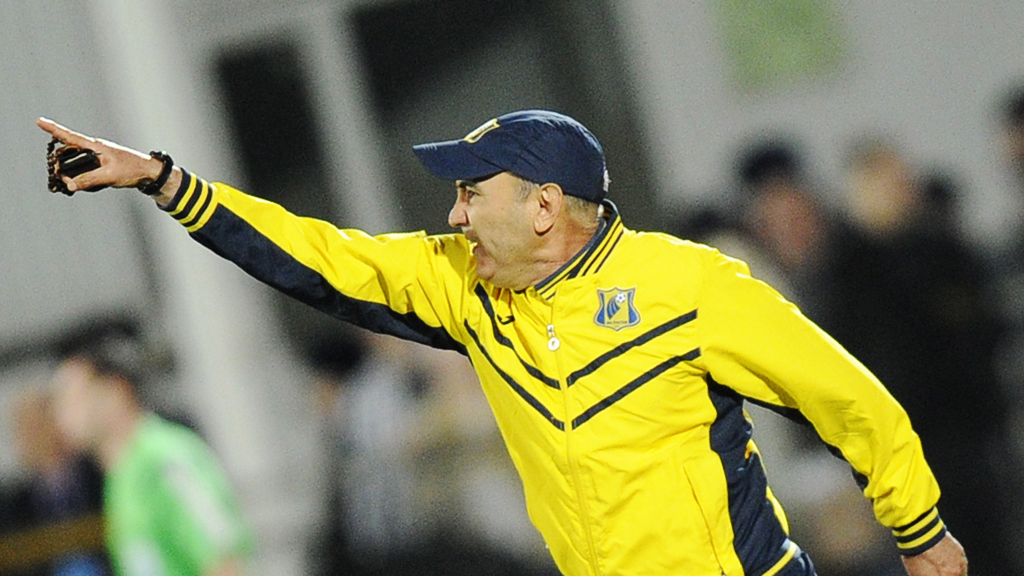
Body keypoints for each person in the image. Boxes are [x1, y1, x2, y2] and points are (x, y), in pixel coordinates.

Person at [37, 111, 967, 576]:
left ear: (545, 207)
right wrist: (163, 181)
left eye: (470, 194)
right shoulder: (466, 284)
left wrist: (918, 529)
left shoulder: (689, 285)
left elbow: (846, 396)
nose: (453, 216)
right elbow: (320, 257)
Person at [47, 317, 255, 576]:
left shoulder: (164, 459)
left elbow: (225, 562)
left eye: (71, 397)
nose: (60, 413)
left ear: (115, 391)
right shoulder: (121, 479)